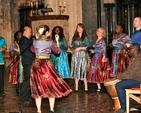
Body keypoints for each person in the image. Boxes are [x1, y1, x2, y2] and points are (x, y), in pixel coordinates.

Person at [30, 25, 72, 113]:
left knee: (37, 86)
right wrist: (56, 41)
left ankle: (39, 110)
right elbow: (57, 51)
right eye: (48, 32)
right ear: (46, 33)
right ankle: (51, 110)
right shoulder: (49, 41)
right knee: (50, 85)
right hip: (46, 64)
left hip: (36, 64)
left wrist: (37, 40)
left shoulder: (35, 41)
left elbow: (32, 50)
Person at [111, 43, 141, 113]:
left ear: (134, 50)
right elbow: (128, 72)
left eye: (130, 49)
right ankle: (126, 105)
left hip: (138, 81)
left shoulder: (138, 60)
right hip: (135, 78)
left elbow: (130, 74)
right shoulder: (135, 58)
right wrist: (119, 75)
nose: (128, 51)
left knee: (119, 85)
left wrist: (117, 76)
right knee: (121, 83)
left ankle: (124, 108)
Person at [68, 23, 90, 91]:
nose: (78, 29)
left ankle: (86, 87)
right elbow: (73, 46)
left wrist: (80, 48)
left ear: (83, 29)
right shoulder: (74, 37)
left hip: (83, 55)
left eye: (80, 27)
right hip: (75, 55)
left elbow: (88, 46)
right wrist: (70, 45)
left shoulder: (85, 37)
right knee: (76, 69)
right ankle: (76, 87)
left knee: (83, 69)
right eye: (77, 27)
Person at [87, 28, 110, 92]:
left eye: (100, 32)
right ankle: (98, 86)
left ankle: (106, 86)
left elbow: (104, 49)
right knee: (95, 70)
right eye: (98, 31)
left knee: (101, 71)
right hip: (95, 56)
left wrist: (104, 57)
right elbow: (96, 48)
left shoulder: (103, 40)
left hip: (101, 57)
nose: (98, 32)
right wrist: (93, 51)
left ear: (103, 33)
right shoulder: (96, 40)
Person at [19, 26, 35, 103]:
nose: (31, 34)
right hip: (28, 62)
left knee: (30, 80)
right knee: (27, 80)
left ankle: (28, 96)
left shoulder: (28, 40)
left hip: (30, 61)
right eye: (30, 32)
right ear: (25, 32)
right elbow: (32, 45)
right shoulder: (23, 40)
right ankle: (23, 98)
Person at [9, 31, 23, 95]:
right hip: (16, 61)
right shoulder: (13, 44)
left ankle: (23, 89)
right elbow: (11, 52)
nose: (21, 36)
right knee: (17, 74)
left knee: (23, 75)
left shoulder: (23, 42)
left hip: (23, 60)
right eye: (19, 35)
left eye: (21, 34)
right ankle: (18, 89)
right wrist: (15, 53)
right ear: (17, 36)